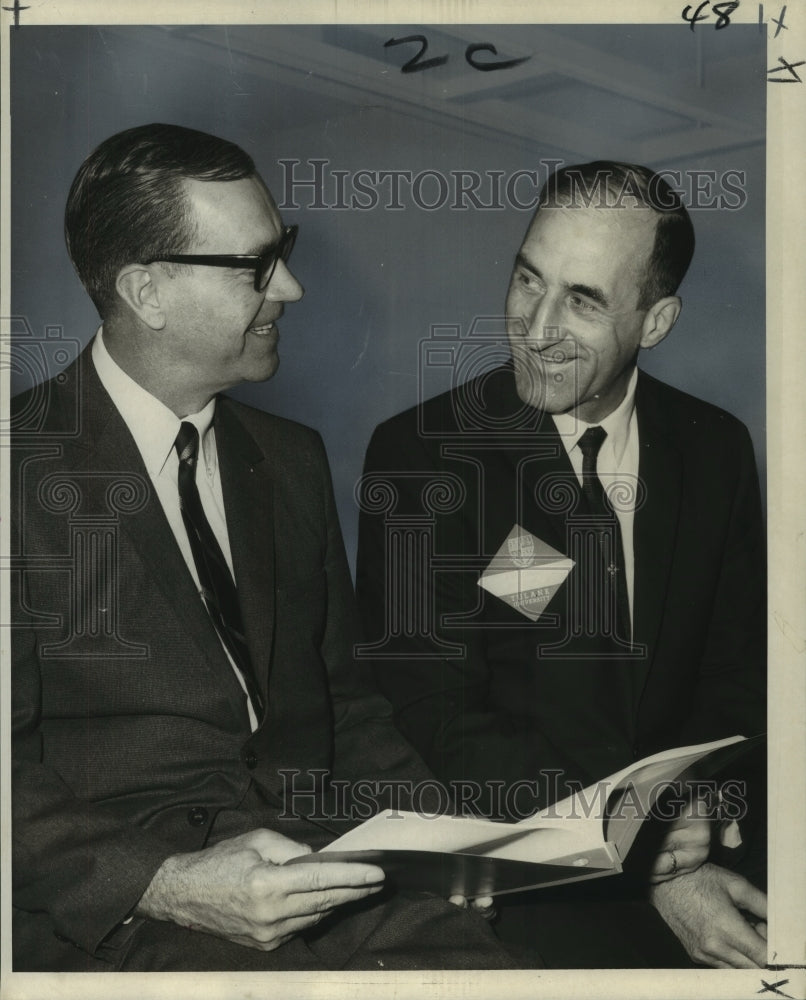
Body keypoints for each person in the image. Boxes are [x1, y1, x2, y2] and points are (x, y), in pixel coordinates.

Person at [10, 123, 522, 973]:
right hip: (118, 920)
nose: (292, 285)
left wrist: (452, 839)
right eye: (256, 265)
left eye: (282, 250)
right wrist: (165, 882)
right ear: (146, 290)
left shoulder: (288, 460)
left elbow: (346, 708)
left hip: (323, 872)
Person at [356, 161, 767, 969]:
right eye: (526, 279)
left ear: (656, 320)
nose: (536, 327)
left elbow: (737, 671)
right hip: (531, 878)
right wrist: (642, 854)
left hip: (710, 842)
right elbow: (438, 714)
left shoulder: (716, 447)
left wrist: (701, 817)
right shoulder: (420, 457)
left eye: (583, 300)